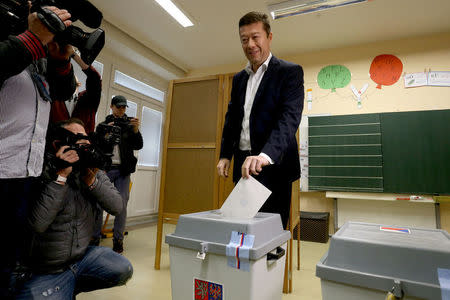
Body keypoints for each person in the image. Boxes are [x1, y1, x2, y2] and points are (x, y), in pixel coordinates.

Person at [0, 3, 76, 297]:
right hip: (2, 171)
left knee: (10, 262)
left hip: (26, 172)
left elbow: (60, 93)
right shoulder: (15, 40)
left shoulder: (37, 55)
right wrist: (32, 37)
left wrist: (59, 60)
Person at [16, 118, 133, 299]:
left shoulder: (91, 169)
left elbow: (117, 207)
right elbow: (37, 225)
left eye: (86, 137)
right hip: (47, 268)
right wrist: (61, 176)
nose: (85, 141)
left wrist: (91, 180)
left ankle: (68, 285)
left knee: (122, 268)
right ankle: (61, 287)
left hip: (80, 259)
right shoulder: (44, 169)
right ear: (59, 143)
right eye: (77, 137)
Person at [217, 11, 304, 229]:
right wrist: (225, 154)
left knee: (271, 236)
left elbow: (289, 119)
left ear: (269, 37)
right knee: (241, 231)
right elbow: (232, 120)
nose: (250, 44)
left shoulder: (289, 72)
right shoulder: (239, 79)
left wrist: (265, 155)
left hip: (274, 165)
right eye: (244, 40)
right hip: (243, 166)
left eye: (256, 37)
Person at [93, 95, 143, 253]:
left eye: (123, 107)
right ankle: (94, 238)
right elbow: (97, 146)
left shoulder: (130, 125)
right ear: (111, 106)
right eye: (118, 106)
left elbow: (139, 145)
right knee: (99, 203)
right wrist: (106, 133)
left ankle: (118, 240)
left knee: (121, 205)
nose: (121, 110)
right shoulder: (103, 125)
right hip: (105, 169)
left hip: (123, 171)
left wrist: (135, 130)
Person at [49, 49, 102, 133]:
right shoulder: (55, 97)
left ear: (78, 84)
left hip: (82, 143)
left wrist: (73, 54)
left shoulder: (88, 100)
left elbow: (95, 79)